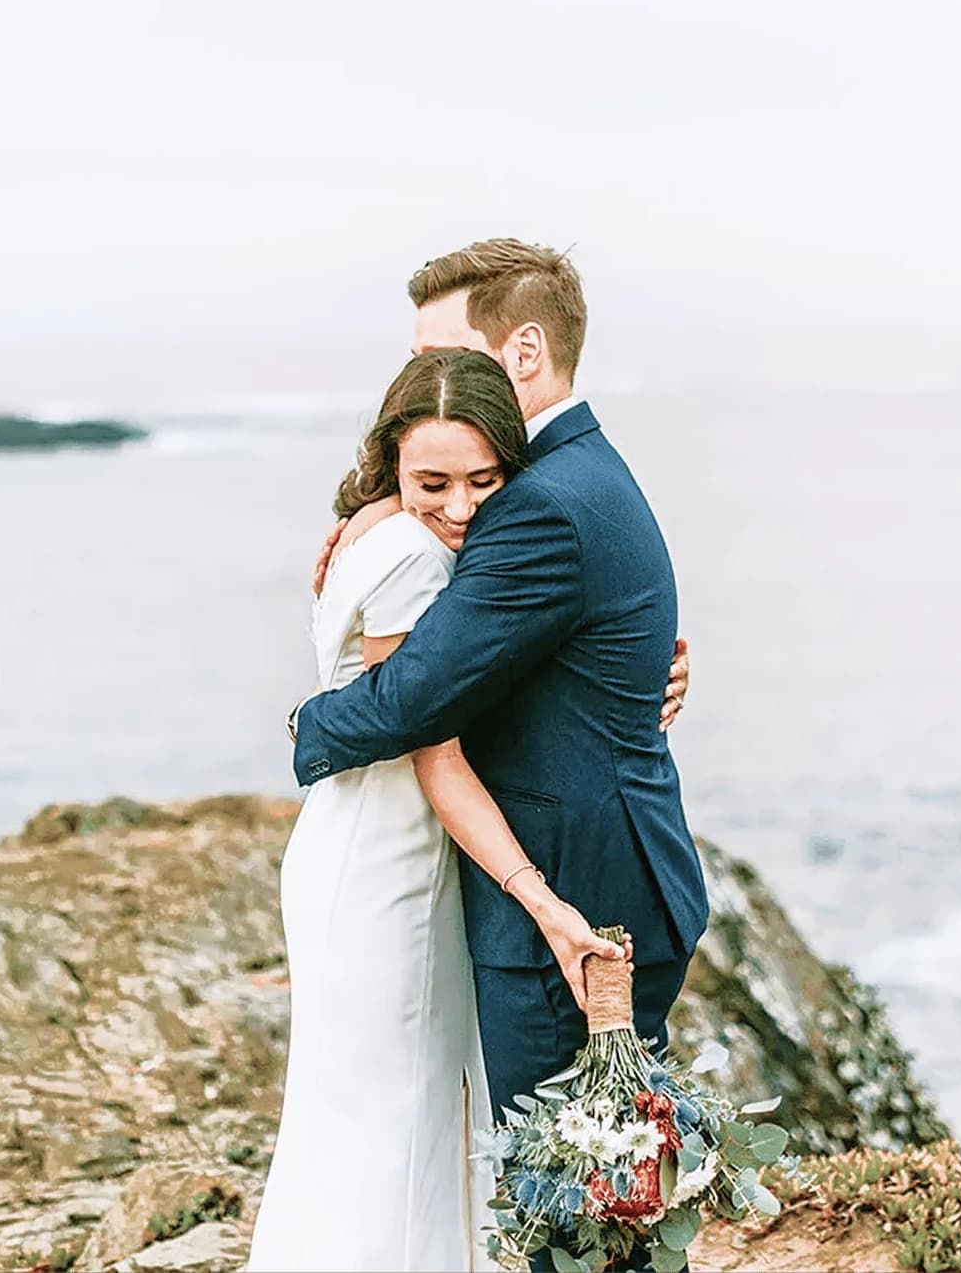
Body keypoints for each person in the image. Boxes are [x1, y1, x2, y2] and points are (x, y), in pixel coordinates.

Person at [287, 239, 710, 1273]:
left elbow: (410, 702)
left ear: (522, 351)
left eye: (443, 353)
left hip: (575, 885)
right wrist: (384, 505)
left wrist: (307, 727)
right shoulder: (570, 473)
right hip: (598, 861)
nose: (432, 378)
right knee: (585, 1193)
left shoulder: (540, 504)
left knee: (575, 1209)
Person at [247, 348, 623, 1272]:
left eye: (484, 481)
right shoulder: (414, 555)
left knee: (354, 1118)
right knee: (399, 1123)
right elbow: (435, 754)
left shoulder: (375, 527)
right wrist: (543, 902)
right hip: (391, 863)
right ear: (393, 463)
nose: (459, 509)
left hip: (350, 843)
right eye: (433, 483)